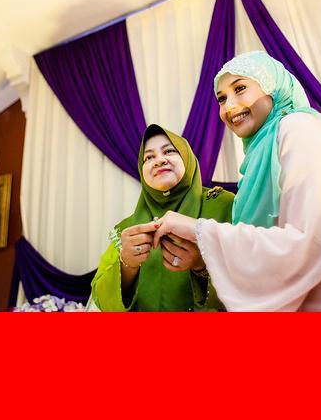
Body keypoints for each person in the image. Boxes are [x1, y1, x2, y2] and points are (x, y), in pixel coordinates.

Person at [152, 51, 321, 312]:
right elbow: (268, 258)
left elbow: (309, 241)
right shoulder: (257, 162)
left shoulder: (300, 128)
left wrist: (197, 229)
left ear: (273, 87)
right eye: (221, 99)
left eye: (240, 88)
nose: (229, 107)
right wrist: (200, 261)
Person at [90, 124, 233, 311]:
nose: (159, 161)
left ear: (187, 158)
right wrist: (127, 265)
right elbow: (102, 301)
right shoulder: (127, 229)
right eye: (149, 157)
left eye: (169, 151)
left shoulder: (223, 206)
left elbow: (254, 279)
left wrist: (201, 265)